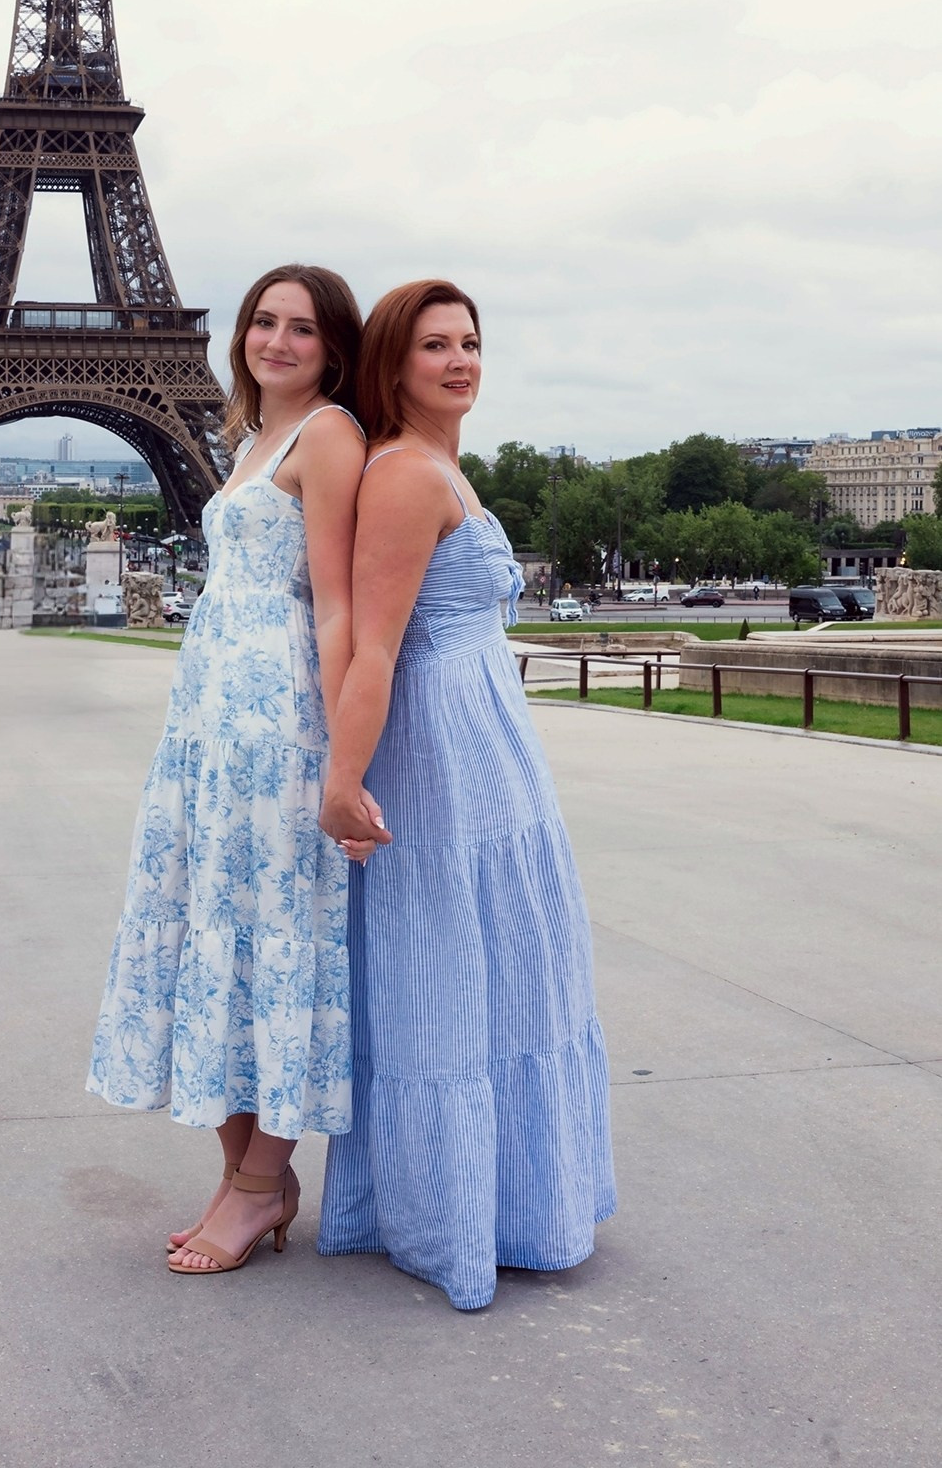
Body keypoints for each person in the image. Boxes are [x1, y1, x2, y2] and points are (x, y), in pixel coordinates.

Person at [317, 278, 616, 1311]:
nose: (460, 361)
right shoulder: (405, 475)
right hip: (443, 744)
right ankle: (466, 1214)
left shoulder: (444, 465)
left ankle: (491, 1203)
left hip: (482, 733)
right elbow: (375, 647)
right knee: (462, 958)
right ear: (392, 364)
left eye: (471, 343)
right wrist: (342, 781)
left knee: (492, 962)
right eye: (435, 345)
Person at [88, 264, 367, 1275]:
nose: (277, 341)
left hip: (277, 725)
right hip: (211, 726)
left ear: (333, 348)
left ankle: (256, 1187)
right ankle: (253, 1176)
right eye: (263, 321)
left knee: (274, 934)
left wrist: (343, 754)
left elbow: (335, 601)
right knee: (218, 930)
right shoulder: (251, 442)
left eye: (301, 328)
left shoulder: (329, 435)